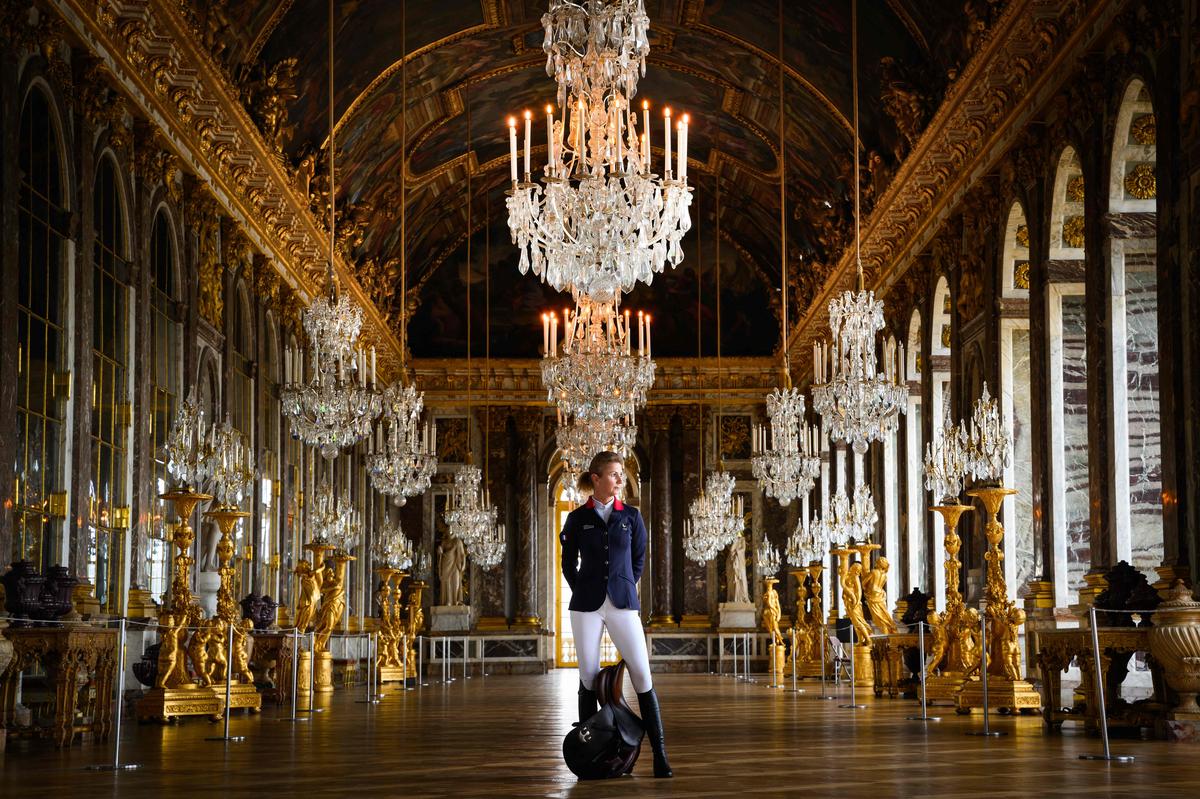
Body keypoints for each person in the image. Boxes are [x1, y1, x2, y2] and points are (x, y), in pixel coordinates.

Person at [560, 451, 672, 779]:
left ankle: (660, 755)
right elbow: (568, 564)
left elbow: (638, 561)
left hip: (623, 603)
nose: (620, 479)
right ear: (595, 478)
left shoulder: (632, 517)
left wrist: (622, 584)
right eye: (613, 474)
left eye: (621, 474)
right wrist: (584, 587)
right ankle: (587, 755)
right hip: (586, 607)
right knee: (588, 677)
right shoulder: (577, 518)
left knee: (642, 675)